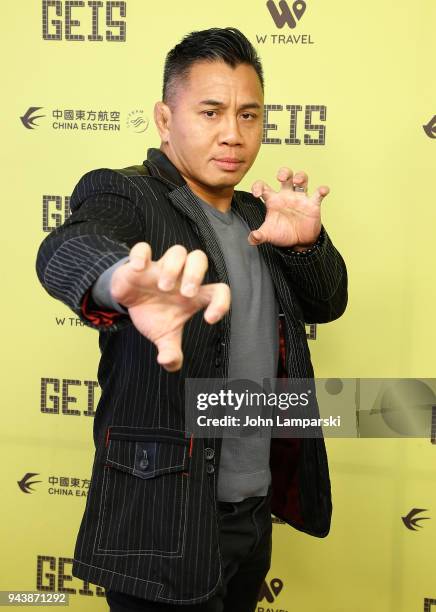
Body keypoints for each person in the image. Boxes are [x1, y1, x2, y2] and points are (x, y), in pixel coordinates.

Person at [35, 27, 348, 612]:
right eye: (210, 111)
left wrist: (306, 246)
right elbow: (69, 248)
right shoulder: (130, 195)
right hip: (162, 522)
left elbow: (329, 304)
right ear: (164, 117)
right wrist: (117, 281)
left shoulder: (263, 213)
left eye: (249, 115)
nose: (233, 134)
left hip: (253, 514)